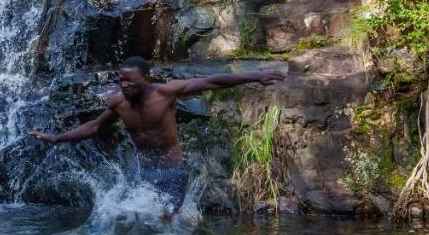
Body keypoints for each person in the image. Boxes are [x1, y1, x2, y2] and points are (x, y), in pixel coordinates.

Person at [28, 56, 284, 216]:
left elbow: (212, 82)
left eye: (130, 81)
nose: (124, 85)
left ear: (147, 79)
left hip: (173, 171)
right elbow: (95, 127)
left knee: (161, 221)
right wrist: (56, 138)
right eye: (121, 81)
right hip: (143, 172)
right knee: (127, 217)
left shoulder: (165, 93)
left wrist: (257, 76)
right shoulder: (118, 103)